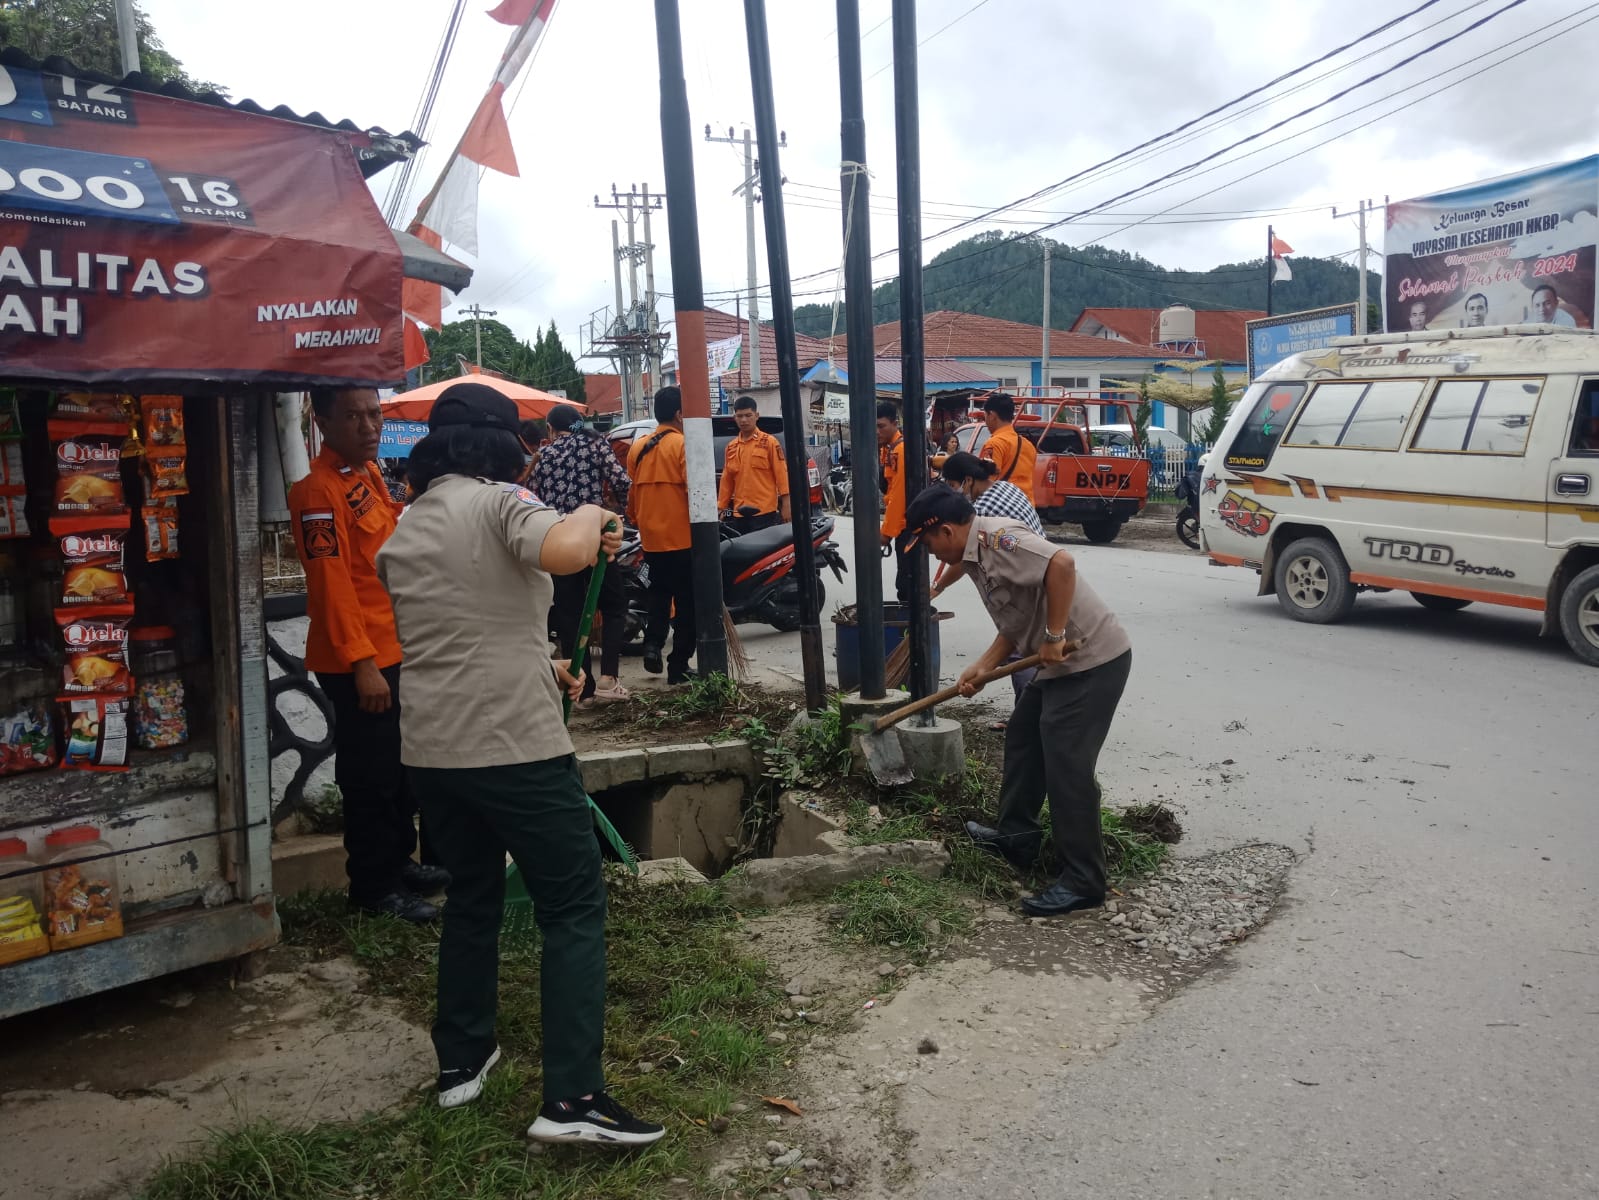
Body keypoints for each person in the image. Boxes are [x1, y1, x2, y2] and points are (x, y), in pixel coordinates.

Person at [376, 382, 664, 1146]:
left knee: (471, 896)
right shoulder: (501, 501)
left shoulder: (406, 526)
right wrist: (597, 513)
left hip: (433, 751)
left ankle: (461, 1063)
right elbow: (569, 550)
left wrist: (546, 666)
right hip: (513, 748)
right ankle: (571, 1102)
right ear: (505, 447)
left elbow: (468, 626)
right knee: (571, 904)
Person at [901, 484, 1132, 919]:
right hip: (1057, 669)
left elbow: (1062, 564)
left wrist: (1054, 636)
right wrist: (983, 667)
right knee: (1024, 740)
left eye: (928, 542)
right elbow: (1016, 620)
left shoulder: (1001, 540)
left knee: (1067, 769)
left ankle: (1084, 881)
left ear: (946, 530)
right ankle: (1017, 838)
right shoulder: (973, 556)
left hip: (1090, 662)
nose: (930, 553)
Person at [287, 387, 448, 923]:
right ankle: (373, 887)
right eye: (352, 416)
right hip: (358, 661)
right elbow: (332, 585)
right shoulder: (317, 492)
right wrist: (362, 664)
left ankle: (399, 862)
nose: (368, 425)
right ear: (322, 418)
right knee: (370, 774)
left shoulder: (369, 476)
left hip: (393, 646)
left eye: (374, 414)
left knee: (401, 769)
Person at [932, 451, 1044, 730]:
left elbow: (964, 558)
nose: (955, 493)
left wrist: (938, 586)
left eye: (954, 485)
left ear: (968, 481)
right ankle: (1028, 717)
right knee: (1025, 649)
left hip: (1022, 584)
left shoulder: (981, 512)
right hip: (1037, 572)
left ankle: (1027, 721)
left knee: (1020, 654)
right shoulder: (1007, 486)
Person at [532, 404, 633, 704]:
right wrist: (616, 512)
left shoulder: (544, 455)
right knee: (614, 607)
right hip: (596, 537)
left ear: (551, 429)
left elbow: (532, 497)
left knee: (569, 615)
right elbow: (621, 481)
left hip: (559, 540)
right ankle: (608, 679)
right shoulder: (594, 444)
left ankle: (583, 689)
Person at [627, 387, 697, 684]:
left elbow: (632, 494)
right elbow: (695, 493)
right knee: (686, 605)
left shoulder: (638, 447)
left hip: (651, 539)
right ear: (680, 414)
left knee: (658, 596)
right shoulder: (683, 445)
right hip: (682, 539)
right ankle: (678, 666)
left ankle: (653, 644)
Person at [718, 395, 790, 533]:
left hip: (764, 513)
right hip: (739, 513)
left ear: (756, 416)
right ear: (735, 418)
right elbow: (726, 480)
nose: (744, 420)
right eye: (739, 416)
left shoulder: (769, 442)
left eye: (748, 415)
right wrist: (721, 507)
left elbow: (782, 475)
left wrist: (787, 504)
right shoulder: (731, 447)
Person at [877, 401, 911, 605]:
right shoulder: (888, 449)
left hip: (907, 527)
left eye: (881, 426)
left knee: (907, 584)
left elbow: (899, 495)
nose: (877, 431)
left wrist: (886, 532)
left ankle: (911, 631)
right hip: (902, 527)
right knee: (905, 581)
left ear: (894, 423)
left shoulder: (900, 450)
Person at [978, 392, 1037, 504]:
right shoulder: (1028, 445)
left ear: (992, 415)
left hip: (1003, 508)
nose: (985, 421)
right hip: (1027, 507)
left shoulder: (994, 444)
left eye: (985, 416)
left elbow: (987, 481)